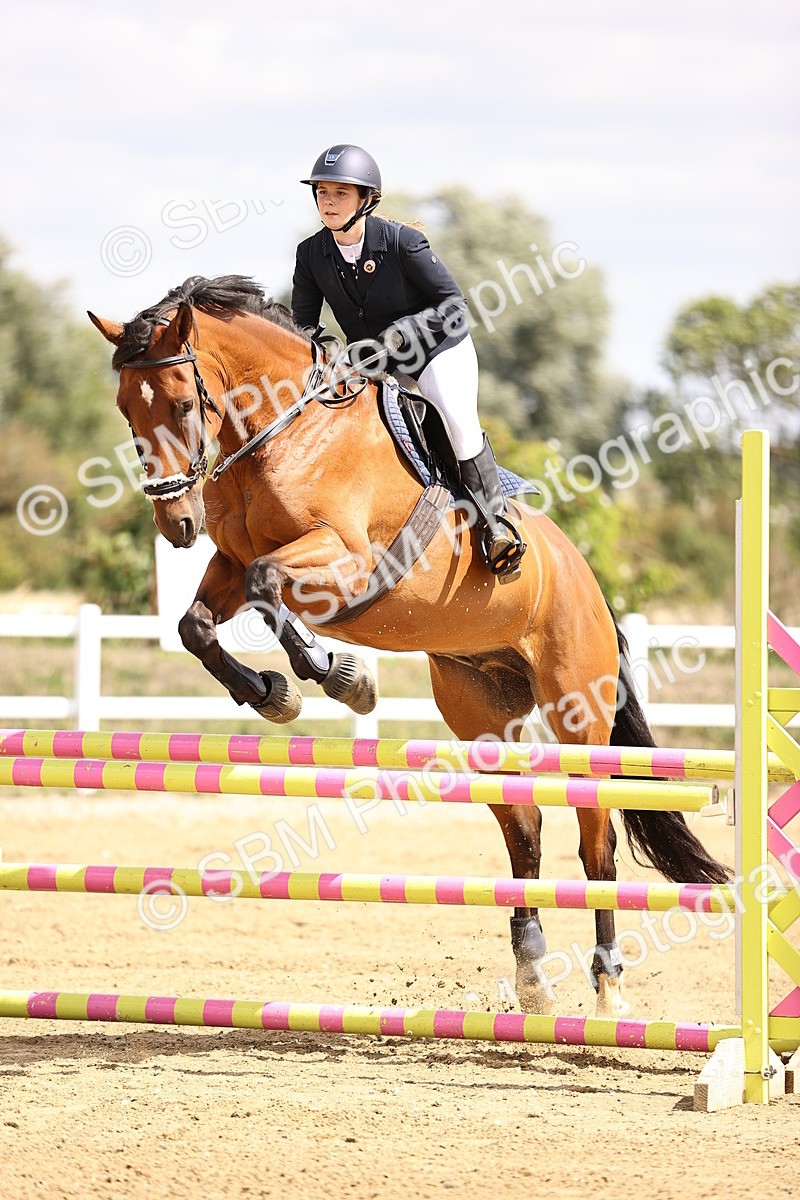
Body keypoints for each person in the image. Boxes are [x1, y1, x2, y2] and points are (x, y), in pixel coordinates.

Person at [291, 143, 526, 580]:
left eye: (340, 193)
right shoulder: (311, 255)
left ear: (366, 200)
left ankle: (497, 527)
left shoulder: (403, 241)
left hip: (437, 349)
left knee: (455, 419)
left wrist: (401, 335)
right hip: (374, 360)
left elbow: (454, 305)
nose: (328, 200)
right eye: (322, 191)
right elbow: (302, 324)